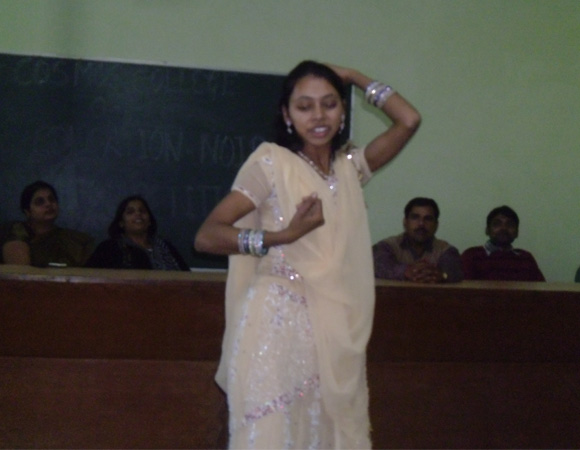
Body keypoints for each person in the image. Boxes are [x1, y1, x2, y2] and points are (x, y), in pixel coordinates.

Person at [194, 60, 420, 449]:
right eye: (304, 106)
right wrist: (282, 236)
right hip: (275, 324)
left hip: (332, 330)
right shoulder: (270, 162)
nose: (318, 116)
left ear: (343, 111)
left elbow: (409, 119)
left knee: (324, 433)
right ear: (287, 114)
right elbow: (208, 236)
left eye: (330, 104)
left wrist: (354, 76)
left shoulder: (350, 168)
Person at [0, 180, 94, 267]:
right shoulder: (16, 230)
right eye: (40, 202)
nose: (48, 204)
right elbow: (20, 273)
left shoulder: (77, 240)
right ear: (27, 212)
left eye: (52, 199)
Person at [85, 195, 189, 271]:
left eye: (142, 211)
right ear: (121, 223)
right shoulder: (108, 249)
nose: (138, 214)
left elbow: (187, 277)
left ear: (149, 221)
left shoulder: (165, 247)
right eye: (130, 212)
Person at [372, 197, 463, 283]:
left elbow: (453, 272)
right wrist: (406, 271)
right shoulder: (386, 246)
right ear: (405, 222)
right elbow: (378, 267)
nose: (421, 224)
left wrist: (442, 275)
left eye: (428, 219)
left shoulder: (446, 250)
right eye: (415, 217)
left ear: (436, 225)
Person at [461, 205, 545, 281]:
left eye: (510, 225)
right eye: (497, 224)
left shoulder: (526, 258)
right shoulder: (471, 256)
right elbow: (461, 290)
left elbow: (541, 290)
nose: (504, 228)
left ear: (517, 233)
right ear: (487, 230)